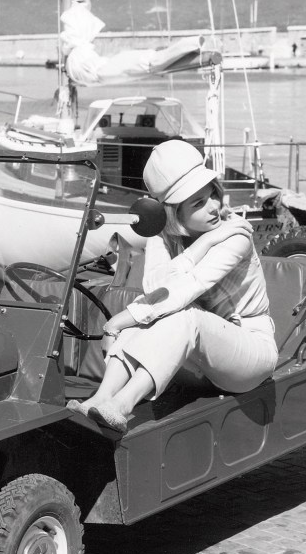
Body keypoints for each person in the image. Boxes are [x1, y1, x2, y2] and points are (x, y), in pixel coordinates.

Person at [67, 139, 277, 433]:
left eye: (212, 195)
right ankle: (101, 398)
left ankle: (122, 405)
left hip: (248, 352)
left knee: (173, 313)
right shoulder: (163, 234)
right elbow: (155, 287)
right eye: (198, 203)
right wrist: (199, 246)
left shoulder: (235, 234)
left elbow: (184, 290)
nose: (214, 207)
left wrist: (115, 322)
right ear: (173, 212)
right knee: (148, 315)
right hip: (197, 359)